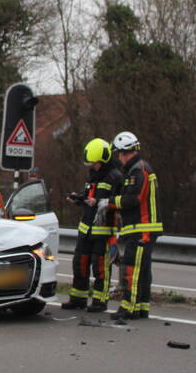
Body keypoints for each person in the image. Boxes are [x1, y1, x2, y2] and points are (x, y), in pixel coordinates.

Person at [106, 131, 163, 320]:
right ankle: (141, 307)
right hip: (143, 228)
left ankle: (128, 308)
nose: (118, 158)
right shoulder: (139, 168)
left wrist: (109, 202)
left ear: (125, 152)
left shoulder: (138, 170)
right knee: (143, 269)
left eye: (119, 153)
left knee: (132, 267)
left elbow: (132, 199)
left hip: (141, 229)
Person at [61, 138, 123, 312]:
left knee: (100, 267)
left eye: (95, 163)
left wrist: (99, 202)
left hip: (104, 231)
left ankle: (99, 301)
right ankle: (78, 298)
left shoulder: (115, 177)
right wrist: (78, 198)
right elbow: (89, 194)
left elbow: (119, 202)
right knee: (79, 263)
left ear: (103, 160)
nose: (93, 166)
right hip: (86, 229)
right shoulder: (92, 175)